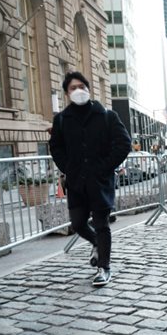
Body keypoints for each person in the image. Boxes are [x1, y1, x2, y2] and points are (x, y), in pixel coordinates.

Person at [49, 72, 131, 287]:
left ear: (88, 88)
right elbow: (55, 147)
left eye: (81, 86)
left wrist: (105, 167)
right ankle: (96, 244)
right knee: (77, 223)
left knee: (102, 224)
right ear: (67, 93)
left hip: (100, 182)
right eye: (73, 88)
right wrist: (67, 167)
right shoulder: (61, 120)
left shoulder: (106, 115)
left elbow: (124, 143)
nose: (78, 90)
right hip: (76, 182)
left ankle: (104, 267)